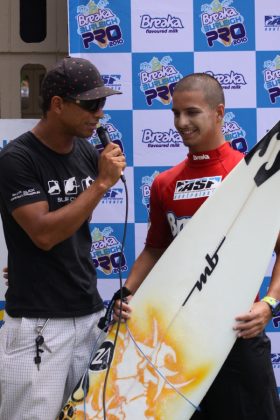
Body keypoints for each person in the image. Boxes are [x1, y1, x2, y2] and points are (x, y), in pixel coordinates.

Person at [114, 73, 280, 420]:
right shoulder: (165, 182)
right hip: (177, 338)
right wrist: (126, 292)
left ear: (219, 113)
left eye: (192, 113)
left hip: (236, 334)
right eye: (175, 113)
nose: (181, 123)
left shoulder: (249, 176)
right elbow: (155, 249)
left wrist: (269, 303)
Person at [0, 56, 126, 420]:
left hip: (87, 312)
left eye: (102, 103)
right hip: (40, 322)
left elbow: (71, 229)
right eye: (90, 104)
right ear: (58, 104)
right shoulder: (17, 159)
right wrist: (101, 183)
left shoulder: (85, 150)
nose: (99, 113)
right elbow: (43, 234)